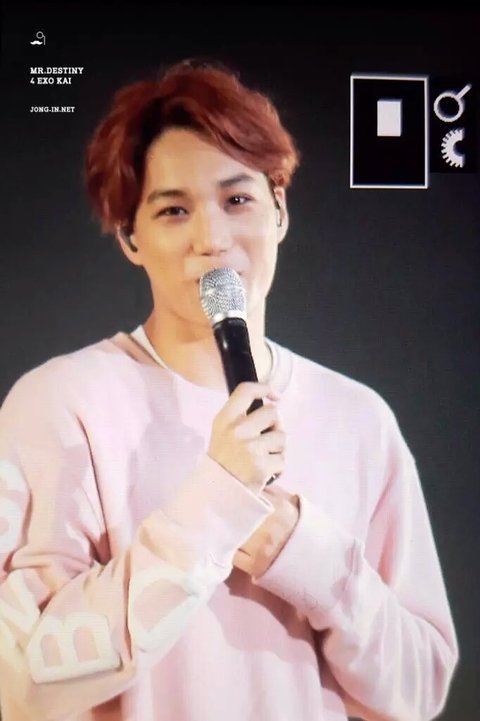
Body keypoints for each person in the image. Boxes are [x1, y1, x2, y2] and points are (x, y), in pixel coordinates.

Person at [0, 58, 459, 721]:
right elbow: (22, 682)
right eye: (174, 210)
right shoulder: (58, 404)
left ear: (280, 210)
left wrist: (305, 554)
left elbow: (420, 687)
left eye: (237, 200)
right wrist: (215, 506)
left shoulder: (360, 417)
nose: (212, 239)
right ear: (131, 237)